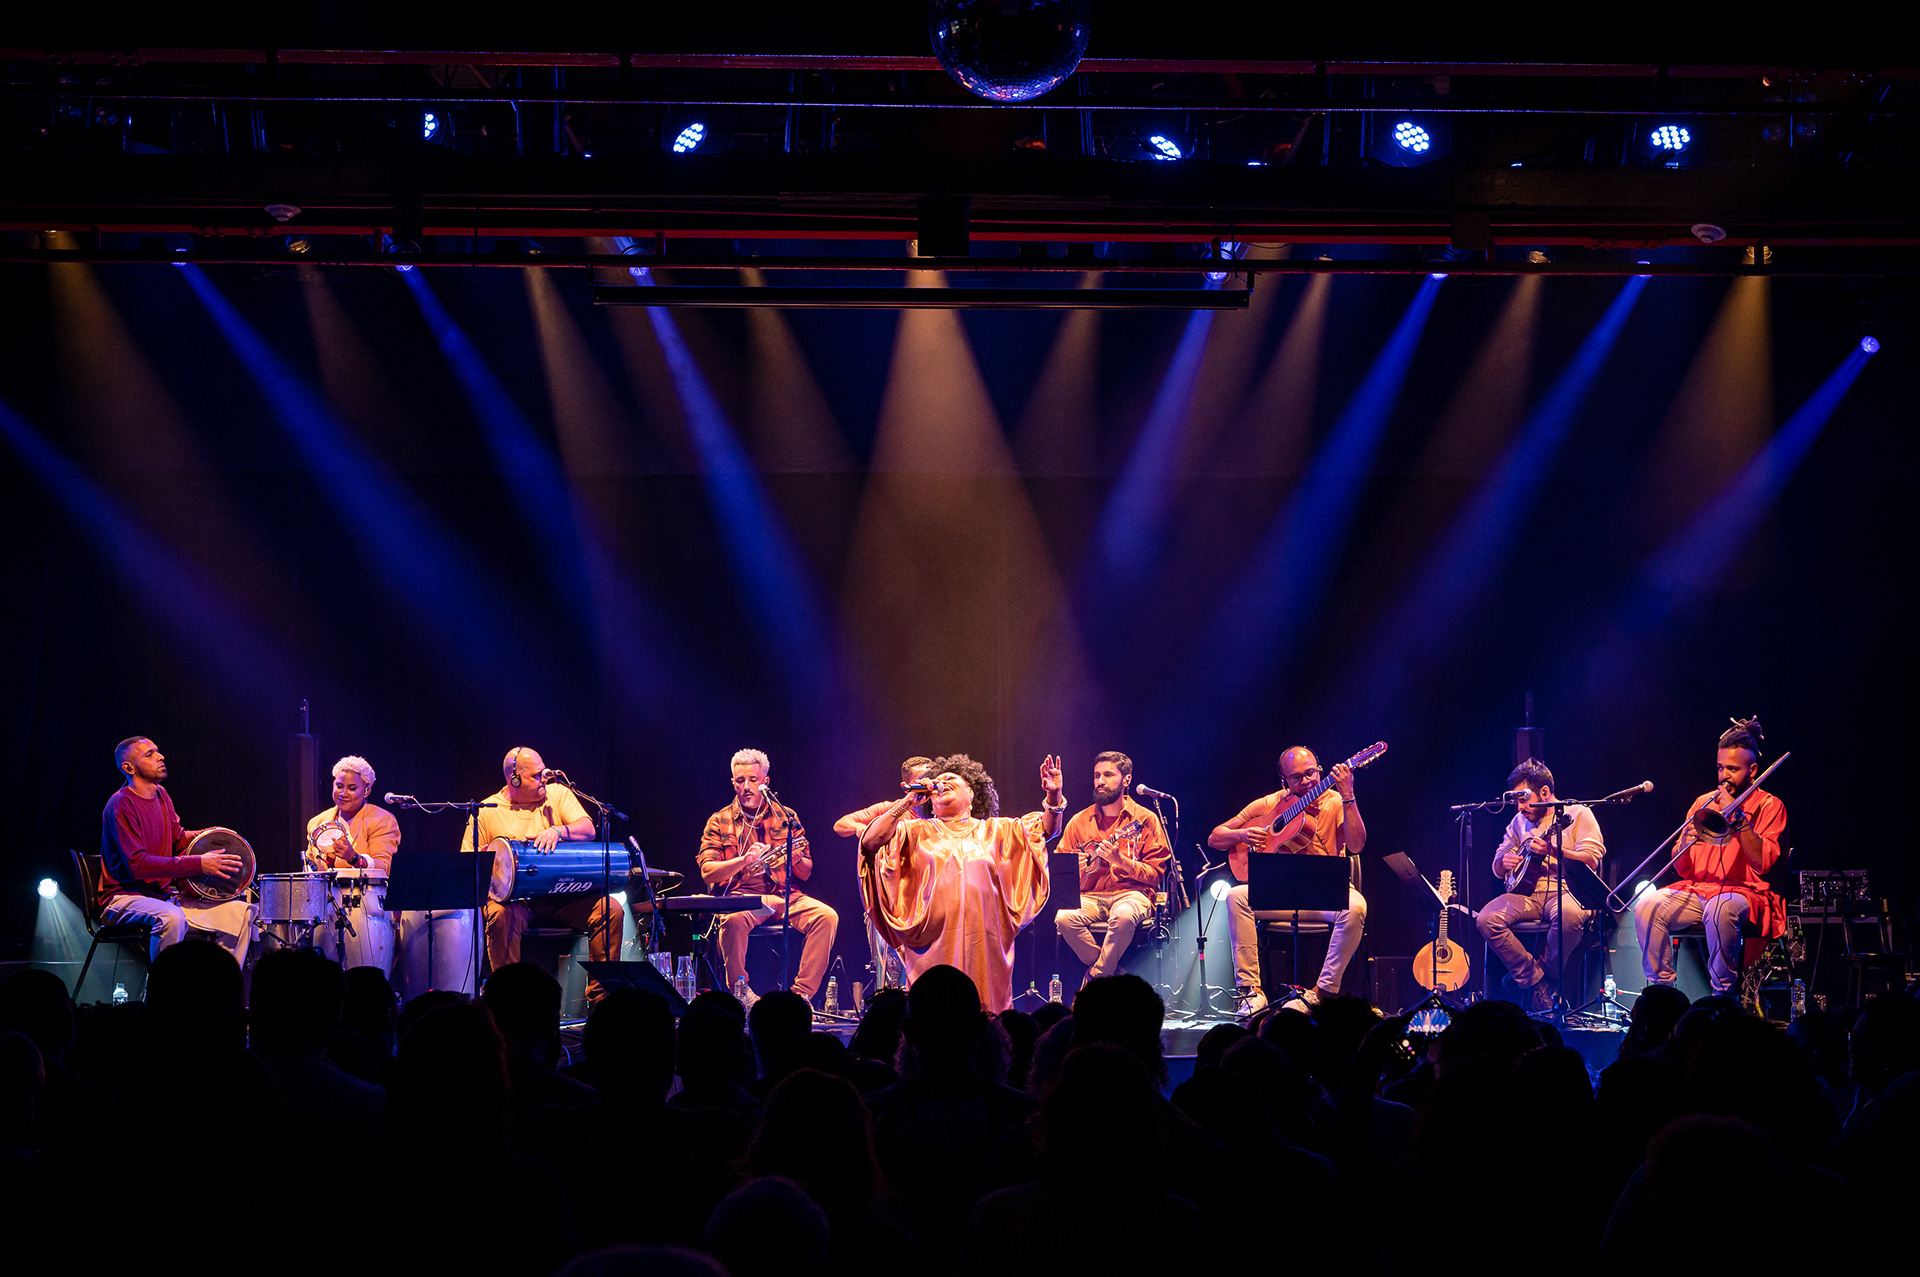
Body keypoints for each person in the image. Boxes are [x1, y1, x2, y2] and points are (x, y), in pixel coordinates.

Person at [859, 754, 1063, 1012]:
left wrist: (1054, 797)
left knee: (983, 1010)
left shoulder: (998, 830)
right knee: (935, 1006)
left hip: (984, 940)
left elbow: (1046, 830)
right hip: (933, 940)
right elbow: (870, 842)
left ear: (972, 793)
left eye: (951, 779)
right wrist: (906, 803)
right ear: (930, 803)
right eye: (937, 782)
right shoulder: (913, 832)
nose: (941, 782)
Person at [1632, 718, 1788, 996]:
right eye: (1720, 767)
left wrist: (1739, 819)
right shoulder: (1703, 803)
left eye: (1733, 769)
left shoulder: (1770, 805)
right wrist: (1685, 844)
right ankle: (1662, 992)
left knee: (1720, 908)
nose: (1724, 775)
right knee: (1647, 905)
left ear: (1752, 770)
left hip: (1747, 894)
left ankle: (1722, 995)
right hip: (1698, 890)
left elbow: (1763, 864)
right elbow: (1681, 869)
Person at [1209, 747, 1367, 1019]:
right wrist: (1243, 834)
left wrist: (1348, 796)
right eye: (1296, 778)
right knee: (1236, 896)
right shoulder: (1271, 803)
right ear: (1284, 781)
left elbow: (1356, 844)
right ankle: (1250, 991)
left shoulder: (1335, 801)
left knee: (1356, 907)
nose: (1306, 781)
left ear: (1320, 769)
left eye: (1311, 773)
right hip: (1280, 893)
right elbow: (1216, 837)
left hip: (1324, 894)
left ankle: (1321, 993)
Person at [462, 747, 624, 994]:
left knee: (610, 910)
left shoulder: (557, 794)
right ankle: (506, 1001)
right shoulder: (487, 810)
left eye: (544, 773)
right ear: (514, 778)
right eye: (536, 776)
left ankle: (603, 1001)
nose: (544, 779)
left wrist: (557, 831)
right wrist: (484, 859)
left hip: (564, 896)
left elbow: (588, 829)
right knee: (498, 915)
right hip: (517, 903)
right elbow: (466, 863)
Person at [96, 736, 256, 967]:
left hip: (162, 898)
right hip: (123, 898)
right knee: (170, 917)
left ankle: (221, 992)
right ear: (128, 767)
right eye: (149, 754)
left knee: (243, 914)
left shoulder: (161, 795)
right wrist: (199, 863)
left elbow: (178, 839)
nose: (160, 757)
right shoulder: (121, 804)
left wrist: (211, 834)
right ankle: (164, 994)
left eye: (157, 751)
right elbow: (137, 865)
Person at [696, 749, 839, 1005]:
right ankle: (742, 994)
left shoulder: (787, 816)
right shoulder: (720, 820)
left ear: (766, 782)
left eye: (753, 780)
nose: (747, 787)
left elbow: (806, 872)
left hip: (785, 897)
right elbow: (707, 871)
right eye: (740, 781)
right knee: (732, 922)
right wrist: (744, 860)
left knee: (826, 916)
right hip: (744, 900)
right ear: (733, 783)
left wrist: (792, 857)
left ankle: (801, 996)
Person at [1476, 759, 1605, 1014]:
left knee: (1569, 916)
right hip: (1527, 893)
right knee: (1485, 919)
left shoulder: (1578, 813)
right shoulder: (1518, 822)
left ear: (1545, 792)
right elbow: (1497, 864)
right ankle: (1538, 981)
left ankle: (1531, 977)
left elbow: (1591, 859)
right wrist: (1504, 862)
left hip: (1568, 890)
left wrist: (1553, 850)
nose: (1520, 806)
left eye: (1524, 798)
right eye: (1517, 800)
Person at [1053, 752, 1172, 988]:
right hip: (1091, 897)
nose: (1100, 781)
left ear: (1126, 780)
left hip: (1132, 895)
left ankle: (1095, 979)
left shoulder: (1145, 819)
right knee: (1064, 918)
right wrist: (1073, 868)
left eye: (1108, 774)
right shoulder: (1079, 821)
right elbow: (1059, 869)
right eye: (1097, 775)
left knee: (1123, 916)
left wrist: (1122, 861)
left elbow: (1156, 874)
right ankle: (1113, 972)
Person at [834, 756, 932, 992]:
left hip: (927, 901)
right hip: (892, 902)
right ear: (905, 786)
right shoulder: (890, 809)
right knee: (890, 972)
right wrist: (864, 830)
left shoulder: (939, 812)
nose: (927, 786)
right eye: (920, 781)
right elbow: (841, 824)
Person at [305, 754, 399, 873]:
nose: (343, 793)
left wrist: (354, 858)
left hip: (361, 891)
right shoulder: (317, 822)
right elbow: (310, 865)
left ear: (366, 791)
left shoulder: (382, 820)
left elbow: (384, 867)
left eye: (352, 788)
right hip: (322, 892)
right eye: (339, 786)